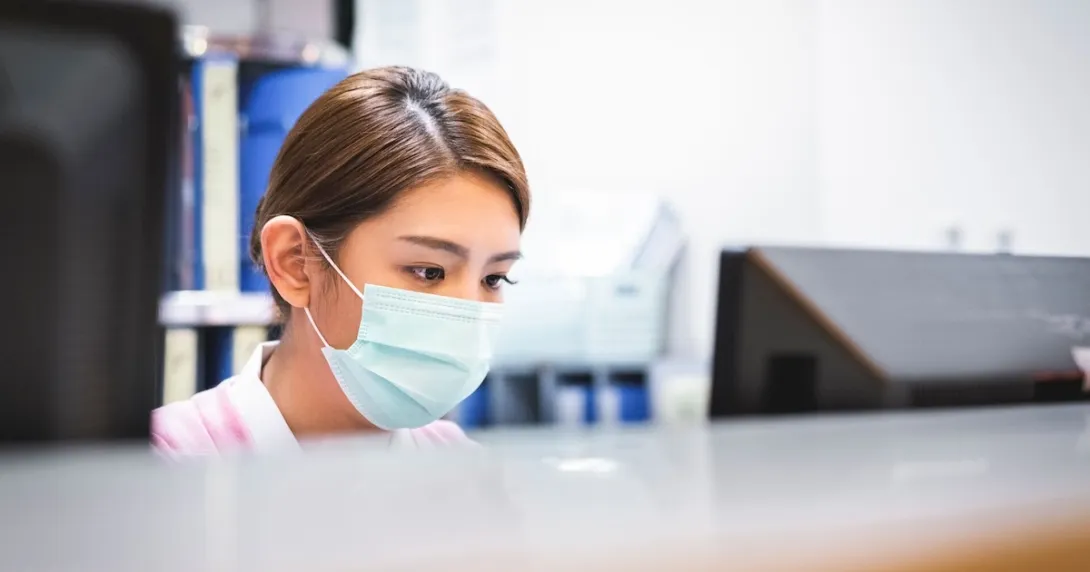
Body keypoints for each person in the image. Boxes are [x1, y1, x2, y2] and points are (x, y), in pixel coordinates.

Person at [152, 67, 530, 456]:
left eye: (494, 278)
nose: (465, 315)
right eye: (428, 271)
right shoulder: (166, 464)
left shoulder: (463, 468)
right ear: (295, 262)